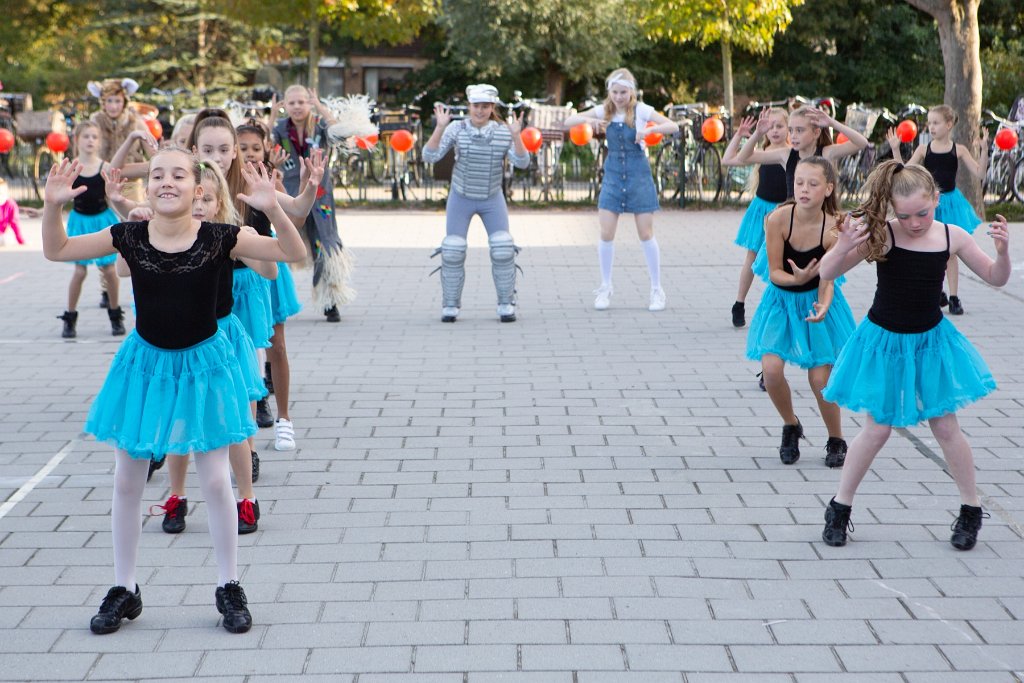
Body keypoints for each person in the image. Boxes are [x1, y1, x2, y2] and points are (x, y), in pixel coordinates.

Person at [41, 151, 307, 634]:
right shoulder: (129, 237)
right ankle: (125, 587)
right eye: (158, 174)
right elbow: (57, 251)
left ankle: (229, 584)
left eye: (178, 175)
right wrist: (53, 207)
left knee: (213, 480)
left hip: (205, 365)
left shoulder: (221, 237)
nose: (167, 181)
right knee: (127, 480)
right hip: (145, 367)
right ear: (148, 190)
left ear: (196, 189)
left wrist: (272, 211)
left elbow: (294, 255)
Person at [817, 160, 1011, 550]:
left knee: (945, 427)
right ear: (890, 208)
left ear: (937, 198)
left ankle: (970, 509)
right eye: (904, 215)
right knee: (876, 429)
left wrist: (1003, 252)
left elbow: (995, 277)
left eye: (923, 213)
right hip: (884, 343)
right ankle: (840, 506)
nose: (916, 222)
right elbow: (826, 271)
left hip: (930, 344)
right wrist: (842, 246)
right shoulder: (884, 235)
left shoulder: (950, 237)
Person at [746, 157, 855, 468]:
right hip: (781, 302)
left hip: (817, 305)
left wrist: (822, 303)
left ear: (828, 188)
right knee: (771, 368)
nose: (804, 189)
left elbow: (828, 281)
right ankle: (791, 425)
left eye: (813, 184)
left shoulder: (833, 229)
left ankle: (836, 437)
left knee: (821, 378)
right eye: (799, 183)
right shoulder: (778, 219)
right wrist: (796, 279)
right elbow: (775, 272)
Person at [563, 68, 679, 312]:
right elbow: (568, 121)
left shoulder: (641, 110)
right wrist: (590, 121)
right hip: (614, 175)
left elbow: (673, 126)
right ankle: (605, 287)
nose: (618, 97)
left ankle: (656, 289)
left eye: (623, 92)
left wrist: (648, 131)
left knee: (646, 233)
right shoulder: (603, 110)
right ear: (609, 92)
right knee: (606, 232)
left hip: (638, 175)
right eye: (614, 92)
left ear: (631, 92)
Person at [421, 83, 531, 323]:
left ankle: (506, 303)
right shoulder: (456, 128)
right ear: (469, 106)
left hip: (492, 197)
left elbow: (523, 163)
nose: (480, 111)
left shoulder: (503, 131)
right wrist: (439, 128)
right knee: (453, 250)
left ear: (492, 108)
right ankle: (450, 305)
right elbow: (429, 156)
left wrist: (516, 136)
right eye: (476, 106)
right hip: (461, 196)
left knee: (502, 248)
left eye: (485, 107)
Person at [887, 104, 988, 315]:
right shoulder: (924, 149)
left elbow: (979, 173)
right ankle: (937, 292)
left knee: (950, 251)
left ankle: (953, 296)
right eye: (929, 123)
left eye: (936, 123)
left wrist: (985, 149)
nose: (931, 127)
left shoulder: (958, 150)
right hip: (929, 204)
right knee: (929, 247)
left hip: (950, 204)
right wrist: (896, 149)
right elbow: (903, 171)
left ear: (949, 124)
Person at [238, 122, 302, 449]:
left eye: (255, 147)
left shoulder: (266, 185)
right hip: (229, 277)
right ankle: (249, 408)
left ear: (265, 151)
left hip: (264, 271)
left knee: (275, 345)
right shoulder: (218, 184)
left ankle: (284, 418)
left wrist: (308, 184)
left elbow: (298, 215)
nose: (249, 153)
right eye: (242, 147)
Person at [271, 85, 355, 323]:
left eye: (302, 102)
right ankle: (275, 300)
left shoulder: (320, 126)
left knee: (325, 242)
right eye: (292, 102)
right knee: (277, 241)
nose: (297, 107)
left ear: (309, 103)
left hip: (319, 195)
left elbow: (341, 133)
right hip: (290, 193)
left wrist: (320, 106)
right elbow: (262, 146)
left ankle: (330, 300)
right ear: (285, 105)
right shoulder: (279, 129)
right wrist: (271, 118)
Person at [56, 121, 126, 339]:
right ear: (77, 140)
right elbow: (59, 198)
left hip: (102, 219)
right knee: (79, 271)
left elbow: (111, 197)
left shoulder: (104, 167)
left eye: (94, 137)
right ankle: (70, 316)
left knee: (109, 271)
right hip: (80, 221)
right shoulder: (71, 168)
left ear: (100, 141)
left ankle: (115, 314)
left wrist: (126, 217)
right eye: (86, 136)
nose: (90, 141)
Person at [721, 110, 789, 327]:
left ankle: (779, 305)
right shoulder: (762, 150)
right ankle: (739, 303)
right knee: (751, 257)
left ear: (788, 128)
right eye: (772, 126)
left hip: (783, 211)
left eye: (780, 126)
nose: (775, 131)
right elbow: (728, 159)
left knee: (783, 259)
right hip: (762, 210)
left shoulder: (791, 152)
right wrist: (742, 135)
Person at [736, 105, 869, 202]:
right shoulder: (786, 155)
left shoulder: (826, 153)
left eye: (799, 130)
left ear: (816, 133)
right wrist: (758, 133)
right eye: (791, 130)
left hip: (819, 219)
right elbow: (744, 157)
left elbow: (862, 143)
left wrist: (832, 123)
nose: (793, 136)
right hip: (793, 220)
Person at [0, 177, 38, 246]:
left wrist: (21, 241)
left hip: (2, 236)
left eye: (1, 193)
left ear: (6, 193)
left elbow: (15, 224)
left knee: (7, 240)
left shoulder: (11, 205)